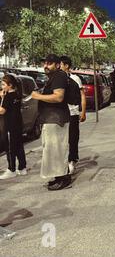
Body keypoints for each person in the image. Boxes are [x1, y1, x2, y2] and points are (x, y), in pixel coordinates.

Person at [31, 54, 71, 191]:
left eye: (49, 63)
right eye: (45, 63)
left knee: (57, 150)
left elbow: (59, 97)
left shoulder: (59, 76)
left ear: (57, 65)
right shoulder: (54, 77)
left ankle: (63, 178)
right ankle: (58, 176)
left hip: (56, 119)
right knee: (52, 150)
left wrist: (38, 96)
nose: (46, 66)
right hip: (51, 118)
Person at [60, 56, 87, 175]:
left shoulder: (75, 78)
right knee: (63, 139)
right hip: (61, 114)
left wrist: (83, 111)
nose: (59, 66)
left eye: (60, 64)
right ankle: (64, 160)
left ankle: (72, 159)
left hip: (73, 112)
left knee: (73, 137)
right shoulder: (58, 79)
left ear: (66, 65)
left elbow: (82, 95)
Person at [0, 75, 27, 180]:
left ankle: (11, 169)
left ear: (10, 85)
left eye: (3, 84)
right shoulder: (17, 94)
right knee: (19, 146)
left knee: (10, 147)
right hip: (18, 124)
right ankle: (22, 168)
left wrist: (2, 99)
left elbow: (2, 110)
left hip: (10, 125)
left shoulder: (8, 96)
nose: (2, 87)